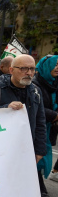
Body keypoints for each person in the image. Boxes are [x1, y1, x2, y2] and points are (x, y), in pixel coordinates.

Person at [0, 54, 47, 197]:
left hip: (25, 150)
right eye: (23, 68)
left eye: (32, 69)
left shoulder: (36, 91)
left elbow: (40, 121)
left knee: (19, 193)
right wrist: (5, 108)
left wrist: (40, 150)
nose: (28, 73)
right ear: (11, 70)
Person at [33, 55, 58, 185]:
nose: (57, 68)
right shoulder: (35, 84)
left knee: (44, 153)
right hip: (39, 124)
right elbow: (38, 107)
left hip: (50, 125)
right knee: (37, 153)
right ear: (47, 66)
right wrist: (55, 115)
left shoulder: (55, 84)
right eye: (55, 64)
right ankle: (37, 183)